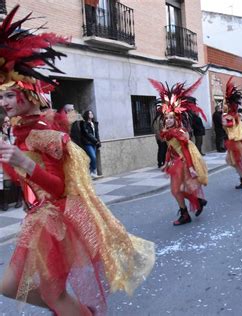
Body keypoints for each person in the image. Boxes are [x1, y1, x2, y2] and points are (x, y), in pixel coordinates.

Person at [0, 6, 155, 315]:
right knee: (11, 286)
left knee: (52, 294)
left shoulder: (44, 134)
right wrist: (13, 160)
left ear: (28, 95)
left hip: (55, 222)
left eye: (7, 96)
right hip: (37, 219)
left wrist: (24, 162)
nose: (2, 103)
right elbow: (23, 180)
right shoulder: (21, 131)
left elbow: (58, 189)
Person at [149, 77, 208, 225]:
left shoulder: (178, 132)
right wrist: (167, 162)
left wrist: (190, 167)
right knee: (178, 190)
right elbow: (170, 148)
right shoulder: (169, 131)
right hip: (176, 162)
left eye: (171, 118)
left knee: (177, 190)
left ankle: (188, 212)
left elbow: (185, 149)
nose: (168, 120)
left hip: (183, 163)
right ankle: (195, 204)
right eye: (166, 117)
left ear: (176, 119)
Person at [0, 116, 23, 211]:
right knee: (6, 181)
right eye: (5, 122)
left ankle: (19, 199)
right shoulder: (3, 133)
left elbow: (15, 144)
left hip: (15, 158)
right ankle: (4, 202)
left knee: (18, 179)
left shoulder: (13, 131)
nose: (7, 123)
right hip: (3, 160)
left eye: (8, 121)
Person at [81, 110, 101, 178]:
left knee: (92, 158)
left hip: (94, 143)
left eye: (92, 113)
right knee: (93, 157)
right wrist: (95, 141)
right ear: (87, 115)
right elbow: (87, 134)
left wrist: (98, 142)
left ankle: (91, 171)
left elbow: (97, 134)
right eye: (89, 113)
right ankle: (93, 171)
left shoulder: (95, 123)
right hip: (88, 143)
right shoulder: (84, 123)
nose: (91, 114)